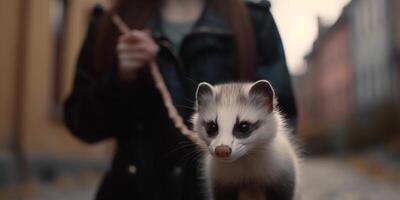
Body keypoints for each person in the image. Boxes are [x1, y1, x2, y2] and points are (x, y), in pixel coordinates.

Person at [64, 0, 297, 199]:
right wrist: (119, 79)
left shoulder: (255, 19)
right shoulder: (111, 20)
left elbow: (282, 118)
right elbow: (81, 123)